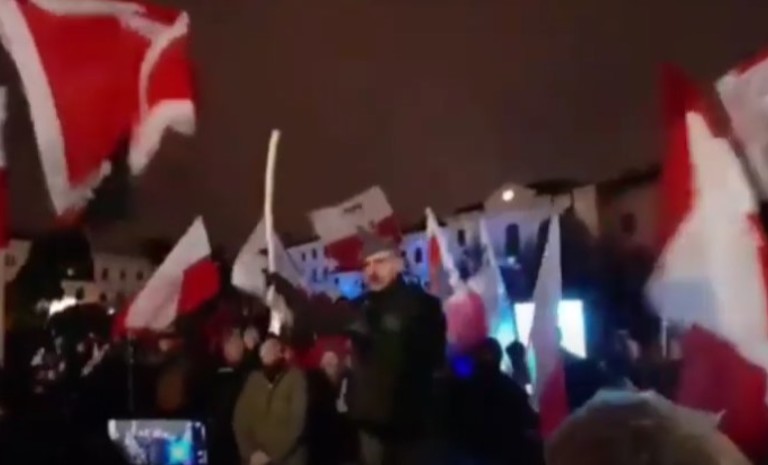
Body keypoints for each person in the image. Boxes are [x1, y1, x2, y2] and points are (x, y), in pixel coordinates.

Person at [346, 232, 446, 465]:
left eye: (380, 261)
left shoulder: (423, 306)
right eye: (366, 264)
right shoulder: (357, 308)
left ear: (398, 265)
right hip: (368, 425)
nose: (372, 270)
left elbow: (430, 359)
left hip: (409, 426)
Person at [233, 335, 308, 465]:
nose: (268, 357)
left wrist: (271, 456)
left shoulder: (296, 379)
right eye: (265, 354)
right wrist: (250, 453)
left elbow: (297, 424)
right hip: (255, 459)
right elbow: (240, 420)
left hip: (287, 459)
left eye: (272, 352)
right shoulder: (253, 380)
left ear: (281, 354)